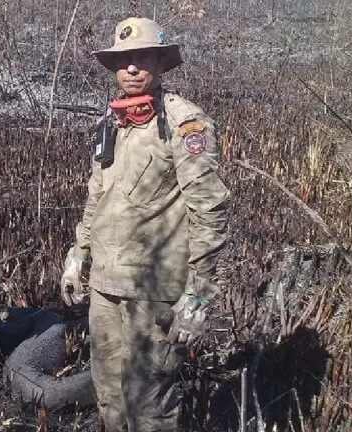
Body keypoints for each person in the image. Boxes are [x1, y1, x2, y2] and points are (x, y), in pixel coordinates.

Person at [60, 18, 230, 431]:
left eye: (142, 58)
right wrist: (78, 254)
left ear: (160, 63)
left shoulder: (185, 123)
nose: (132, 68)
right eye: (123, 61)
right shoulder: (111, 121)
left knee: (149, 404)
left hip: (154, 290)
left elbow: (209, 209)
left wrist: (199, 295)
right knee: (109, 394)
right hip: (106, 283)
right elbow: (97, 194)